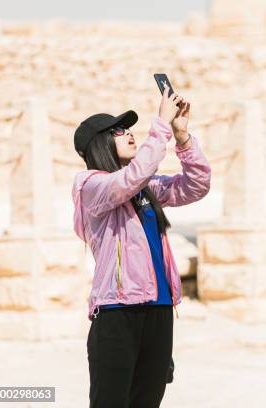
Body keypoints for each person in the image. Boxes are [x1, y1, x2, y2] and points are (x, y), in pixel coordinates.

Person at [71, 86, 211, 407]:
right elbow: (127, 181)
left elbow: (196, 186)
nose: (129, 134)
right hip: (117, 313)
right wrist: (159, 126)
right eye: (118, 131)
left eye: (130, 129)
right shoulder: (90, 185)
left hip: (160, 310)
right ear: (99, 144)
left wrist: (182, 137)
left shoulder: (145, 188)